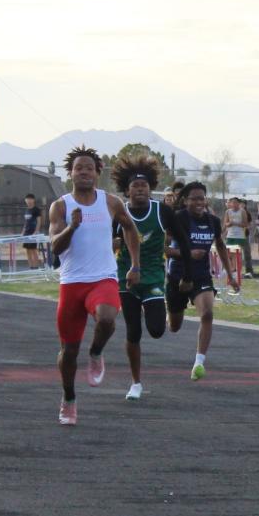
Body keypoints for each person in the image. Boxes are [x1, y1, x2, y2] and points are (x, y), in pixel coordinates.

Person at [48, 147, 145, 423]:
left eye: (89, 168)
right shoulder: (62, 206)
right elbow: (55, 246)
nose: (84, 172)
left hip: (103, 278)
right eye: (79, 168)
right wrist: (71, 227)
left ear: (97, 173)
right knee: (68, 351)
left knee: (107, 318)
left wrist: (135, 264)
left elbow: (130, 229)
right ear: (71, 173)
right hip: (72, 283)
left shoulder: (111, 202)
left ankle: (96, 352)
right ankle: (68, 398)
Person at [112, 155, 174, 402]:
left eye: (144, 185)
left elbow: (180, 235)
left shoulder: (162, 211)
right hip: (125, 276)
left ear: (151, 189)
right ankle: (136, 382)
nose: (140, 189)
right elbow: (104, 242)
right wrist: (112, 243)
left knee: (157, 330)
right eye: (135, 186)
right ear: (126, 190)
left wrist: (186, 263)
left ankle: (155, 307)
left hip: (154, 275)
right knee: (133, 330)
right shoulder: (118, 213)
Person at [165, 181, 237, 379]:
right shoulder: (178, 219)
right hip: (178, 277)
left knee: (207, 314)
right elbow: (163, 248)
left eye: (202, 198)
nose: (199, 202)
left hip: (201, 276)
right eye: (194, 198)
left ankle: (199, 363)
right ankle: (170, 314)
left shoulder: (213, 221)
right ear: (185, 201)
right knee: (174, 326)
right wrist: (185, 253)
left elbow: (220, 246)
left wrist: (230, 275)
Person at [21, 193, 44, 270]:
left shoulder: (36, 210)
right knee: (28, 250)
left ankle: (36, 267)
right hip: (26, 233)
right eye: (27, 199)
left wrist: (36, 232)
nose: (28, 201)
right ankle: (31, 267)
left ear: (33, 200)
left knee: (34, 250)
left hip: (33, 233)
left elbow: (39, 221)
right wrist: (23, 232)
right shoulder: (27, 210)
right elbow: (26, 222)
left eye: (30, 199)